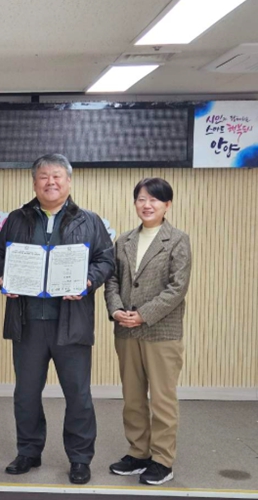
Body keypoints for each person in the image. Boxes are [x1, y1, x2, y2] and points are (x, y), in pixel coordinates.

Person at [0, 153, 114, 485]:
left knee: (78, 394)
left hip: (71, 322)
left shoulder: (89, 221)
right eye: (44, 176)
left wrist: (88, 281)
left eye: (57, 176)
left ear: (69, 181)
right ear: (34, 183)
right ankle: (28, 451)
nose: (51, 182)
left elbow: (105, 259)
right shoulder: (16, 219)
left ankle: (80, 458)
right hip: (28, 321)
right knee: (26, 393)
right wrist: (2, 277)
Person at [104, 178, 191, 486]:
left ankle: (162, 460)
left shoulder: (178, 240)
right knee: (132, 397)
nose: (147, 205)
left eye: (154, 199)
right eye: (141, 199)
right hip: (126, 331)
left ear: (167, 204)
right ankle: (138, 453)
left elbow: (177, 288)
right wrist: (116, 310)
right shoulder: (123, 240)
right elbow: (112, 281)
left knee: (162, 400)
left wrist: (143, 315)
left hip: (161, 332)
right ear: (135, 203)